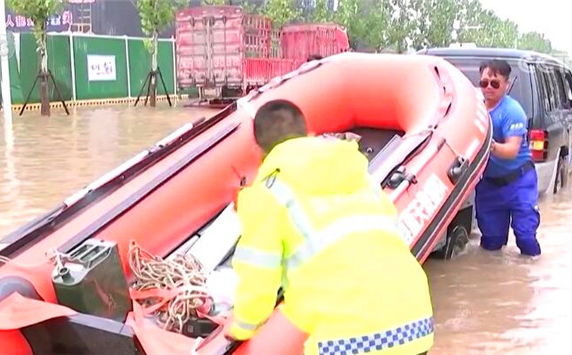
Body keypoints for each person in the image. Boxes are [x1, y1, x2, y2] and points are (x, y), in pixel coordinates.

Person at [226, 100, 435, 355]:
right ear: (309, 134)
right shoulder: (360, 176)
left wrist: (241, 327)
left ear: (258, 150)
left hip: (350, 340)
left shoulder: (267, 193)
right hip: (416, 325)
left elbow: (258, 275)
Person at [474, 59, 541, 257]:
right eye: (484, 82)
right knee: (490, 243)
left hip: (519, 181)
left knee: (525, 237)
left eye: (494, 83)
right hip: (488, 185)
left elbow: (511, 150)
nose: (488, 87)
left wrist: (487, 143)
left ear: (507, 84)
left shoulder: (512, 112)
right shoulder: (474, 107)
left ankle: (532, 277)